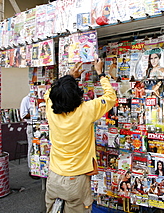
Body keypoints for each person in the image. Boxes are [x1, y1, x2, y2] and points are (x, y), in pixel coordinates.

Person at [44, 59, 116, 213]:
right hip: (76, 180)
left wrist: (70, 77)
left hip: (54, 177)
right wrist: (100, 73)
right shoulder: (87, 110)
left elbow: (50, 92)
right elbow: (111, 97)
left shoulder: (50, 107)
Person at [20, 93, 40, 180]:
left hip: (41, 126)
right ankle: (31, 169)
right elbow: (23, 115)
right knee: (32, 148)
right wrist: (35, 113)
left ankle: (40, 168)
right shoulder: (26, 100)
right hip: (31, 126)